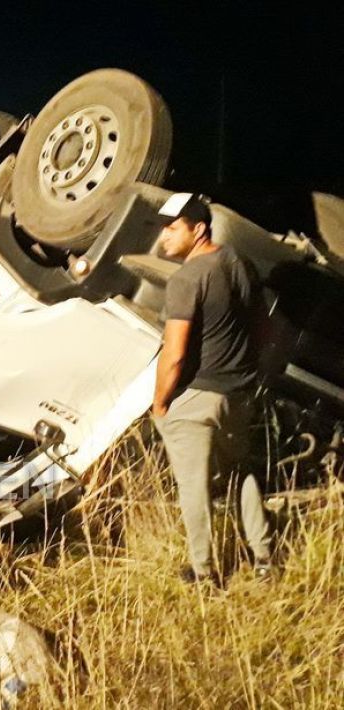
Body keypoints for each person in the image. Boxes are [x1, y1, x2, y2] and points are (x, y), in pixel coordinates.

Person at [152, 192, 274, 585]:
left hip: (198, 397)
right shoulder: (240, 264)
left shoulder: (187, 278)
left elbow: (174, 353)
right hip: (238, 393)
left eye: (172, 229)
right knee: (241, 474)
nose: (163, 237)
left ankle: (204, 572)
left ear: (198, 229)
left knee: (193, 487)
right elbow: (262, 329)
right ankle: (265, 558)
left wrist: (160, 404)